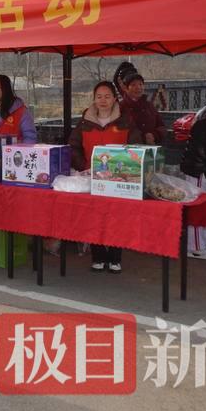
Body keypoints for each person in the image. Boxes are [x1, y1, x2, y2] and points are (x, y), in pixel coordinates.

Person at [69, 81, 141, 273]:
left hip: (118, 179)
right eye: (99, 96)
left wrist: (126, 167)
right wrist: (84, 165)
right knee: (95, 217)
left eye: (107, 96)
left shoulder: (125, 121)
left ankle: (115, 257)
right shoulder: (85, 122)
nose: (103, 100)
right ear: (94, 99)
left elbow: (136, 147)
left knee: (117, 218)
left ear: (114, 98)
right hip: (92, 176)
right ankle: (98, 256)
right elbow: (73, 146)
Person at [180, 86, 206, 260]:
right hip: (200, 168)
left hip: (199, 166)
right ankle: (195, 245)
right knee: (198, 206)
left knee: (203, 206)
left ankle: (204, 238)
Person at [0, 75, 38, 141]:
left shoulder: (21, 111)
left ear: (6, 89)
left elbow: (30, 137)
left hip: (13, 148)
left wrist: (17, 147)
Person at [120, 73, 166, 145]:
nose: (138, 87)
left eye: (140, 84)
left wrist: (154, 135)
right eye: (133, 85)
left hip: (150, 148)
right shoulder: (120, 107)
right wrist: (140, 138)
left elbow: (161, 127)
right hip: (128, 149)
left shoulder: (149, 106)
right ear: (126, 88)